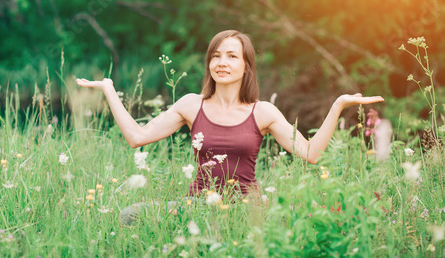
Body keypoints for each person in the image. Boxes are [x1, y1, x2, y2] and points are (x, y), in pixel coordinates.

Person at [76, 30, 384, 223]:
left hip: (247, 210)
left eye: (231, 56)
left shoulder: (263, 111)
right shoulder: (190, 104)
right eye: (216, 55)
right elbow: (136, 137)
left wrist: (338, 105)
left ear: (246, 65)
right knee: (130, 214)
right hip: (196, 206)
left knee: (312, 218)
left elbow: (311, 153)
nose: (221, 62)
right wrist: (108, 89)